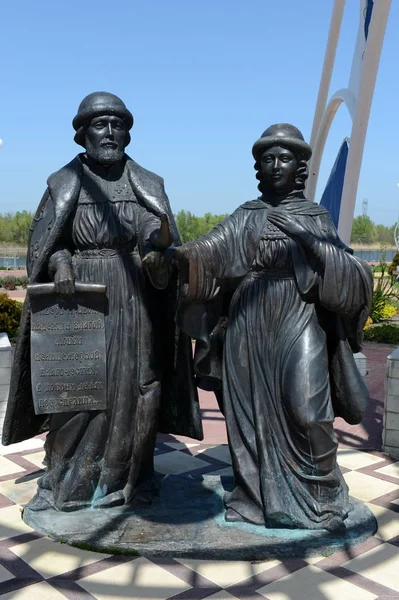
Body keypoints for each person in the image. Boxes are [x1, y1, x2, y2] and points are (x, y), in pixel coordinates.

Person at [2, 92, 202, 511]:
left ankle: (130, 478)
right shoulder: (63, 183)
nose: (110, 132)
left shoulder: (147, 183)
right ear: (83, 134)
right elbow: (45, 244)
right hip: (81, 299)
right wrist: (61, 264)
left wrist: (157, 246)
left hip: (134, 298)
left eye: (118, 124)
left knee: (138, 385)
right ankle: (69, 480)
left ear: (128, 133)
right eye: (100, 124)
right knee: (78, 391)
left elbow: (155, 233)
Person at [170, 124, 373, 532]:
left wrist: (311, 242)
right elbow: (209, 251)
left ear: (300, 167)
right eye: (267, 158)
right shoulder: (248, 214)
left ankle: (322, 493)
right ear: (258, 167)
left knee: (308, 409)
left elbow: (353, 275)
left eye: (284, 158)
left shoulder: (315, 216)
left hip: (298, 318)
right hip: (248, 321)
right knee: (248, 412)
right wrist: (176, 255)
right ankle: (255, 495)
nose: (275, 165)